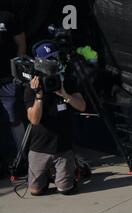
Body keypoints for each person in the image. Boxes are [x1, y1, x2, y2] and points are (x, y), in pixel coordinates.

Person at [25, 41, 86, 196]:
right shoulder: (33, 85)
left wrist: (65, 95)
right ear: (39, 61)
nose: (52, 62)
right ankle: (48, 173)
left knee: (66, 190)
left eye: (54, 57)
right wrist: (38, 96)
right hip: (40, 145)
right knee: (35, 190)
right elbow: (34, 120)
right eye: (48, 59)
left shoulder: (67, 80)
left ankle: (74, 166)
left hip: (62, 145)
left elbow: (81, 106)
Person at [0, 6, 26, 170]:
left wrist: (17, 72)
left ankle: (23, 158)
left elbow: (21, 43)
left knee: (14, 118)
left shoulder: (7, 16)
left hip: (8, 79)